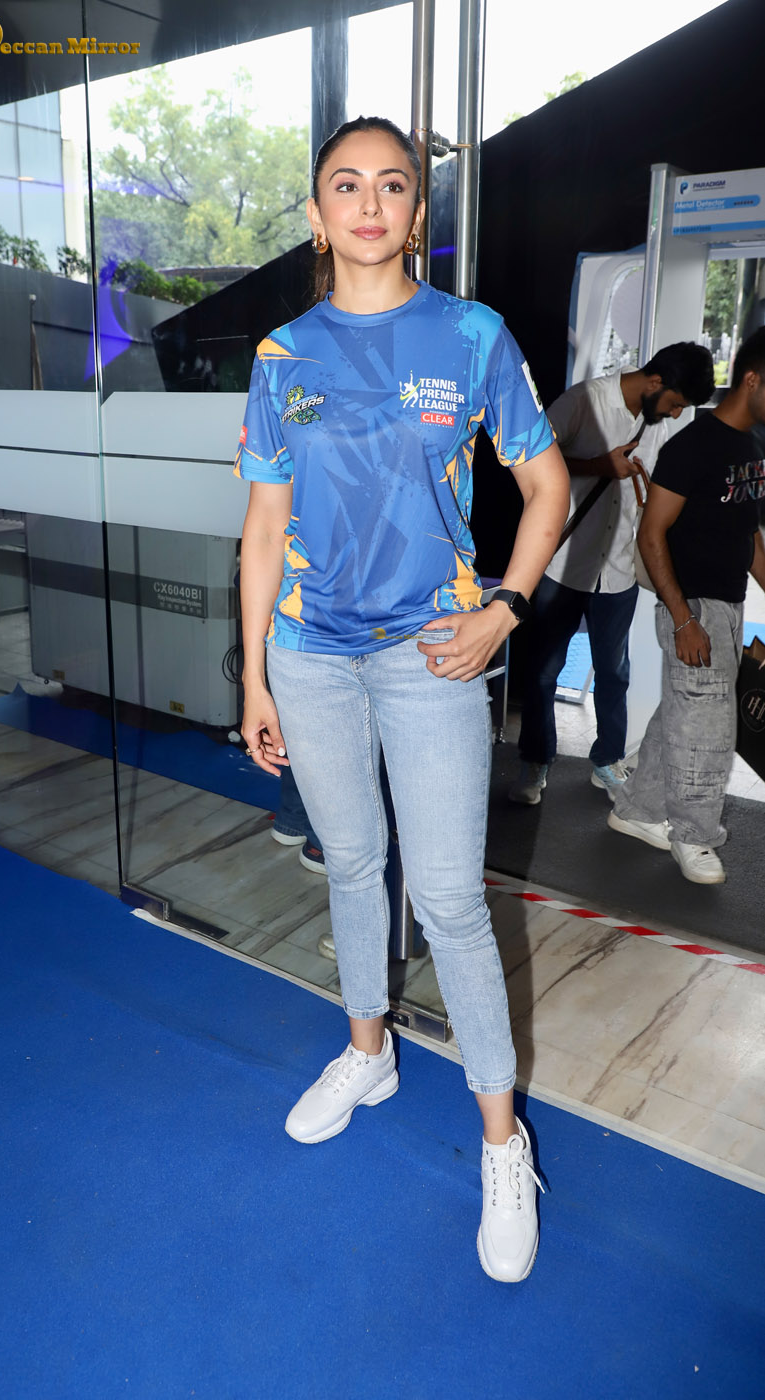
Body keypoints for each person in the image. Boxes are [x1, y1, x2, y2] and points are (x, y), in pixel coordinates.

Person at [234, 115, 569, 1283]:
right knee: (351, 861)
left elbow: (547, 484)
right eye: (347, 184)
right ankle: (368, 1050)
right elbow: (264, 523)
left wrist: (506, 607)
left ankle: (502, 1140)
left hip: (435, 651)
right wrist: (255, 670)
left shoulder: (471, 337)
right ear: (317, 214)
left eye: (392, 184)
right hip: (310, 654)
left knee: (449, 896)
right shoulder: (284, 357)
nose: (370, 203)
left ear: (418, 213)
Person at [509, 344, 714, 806]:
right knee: (542, 672)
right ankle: (535, 760)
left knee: (614, 673)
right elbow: (528, 456)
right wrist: (598, 466)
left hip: (619, 568)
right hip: (563, 564)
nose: (676, 413)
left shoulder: (657, 425)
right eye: (676, 403)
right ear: (656, 382)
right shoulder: (586, 399)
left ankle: (607, 760)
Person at [608, 328, 765, 883]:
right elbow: (651, 534)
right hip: (692, 606)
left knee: (685, 712)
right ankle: (694, 836)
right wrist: (684, 620)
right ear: (752, 380)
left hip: (729, 604)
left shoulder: (752, 448)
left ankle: (637, 810)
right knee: (708, 732)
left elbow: (749, 535)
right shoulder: (691, 447)